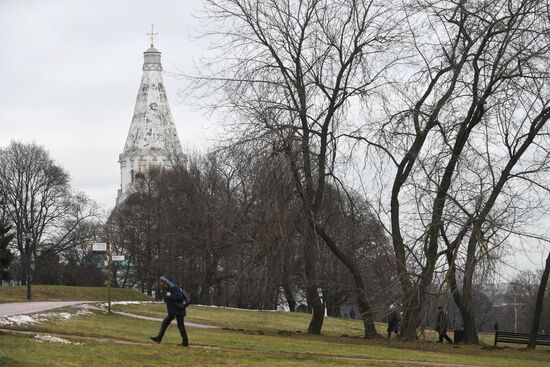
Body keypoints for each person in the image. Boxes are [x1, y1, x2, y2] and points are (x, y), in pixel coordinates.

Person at [150, 276, 189, 347]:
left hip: (178, 310)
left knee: (180, 326)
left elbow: (179, 297)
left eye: (163, 283)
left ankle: (185, 342)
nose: (163, 285)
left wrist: (169, 295)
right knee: (165, 323)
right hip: (174, 311)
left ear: (167, 282)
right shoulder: (169, 288)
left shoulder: (174, 288)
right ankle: (159, 338)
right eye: (162, 284)